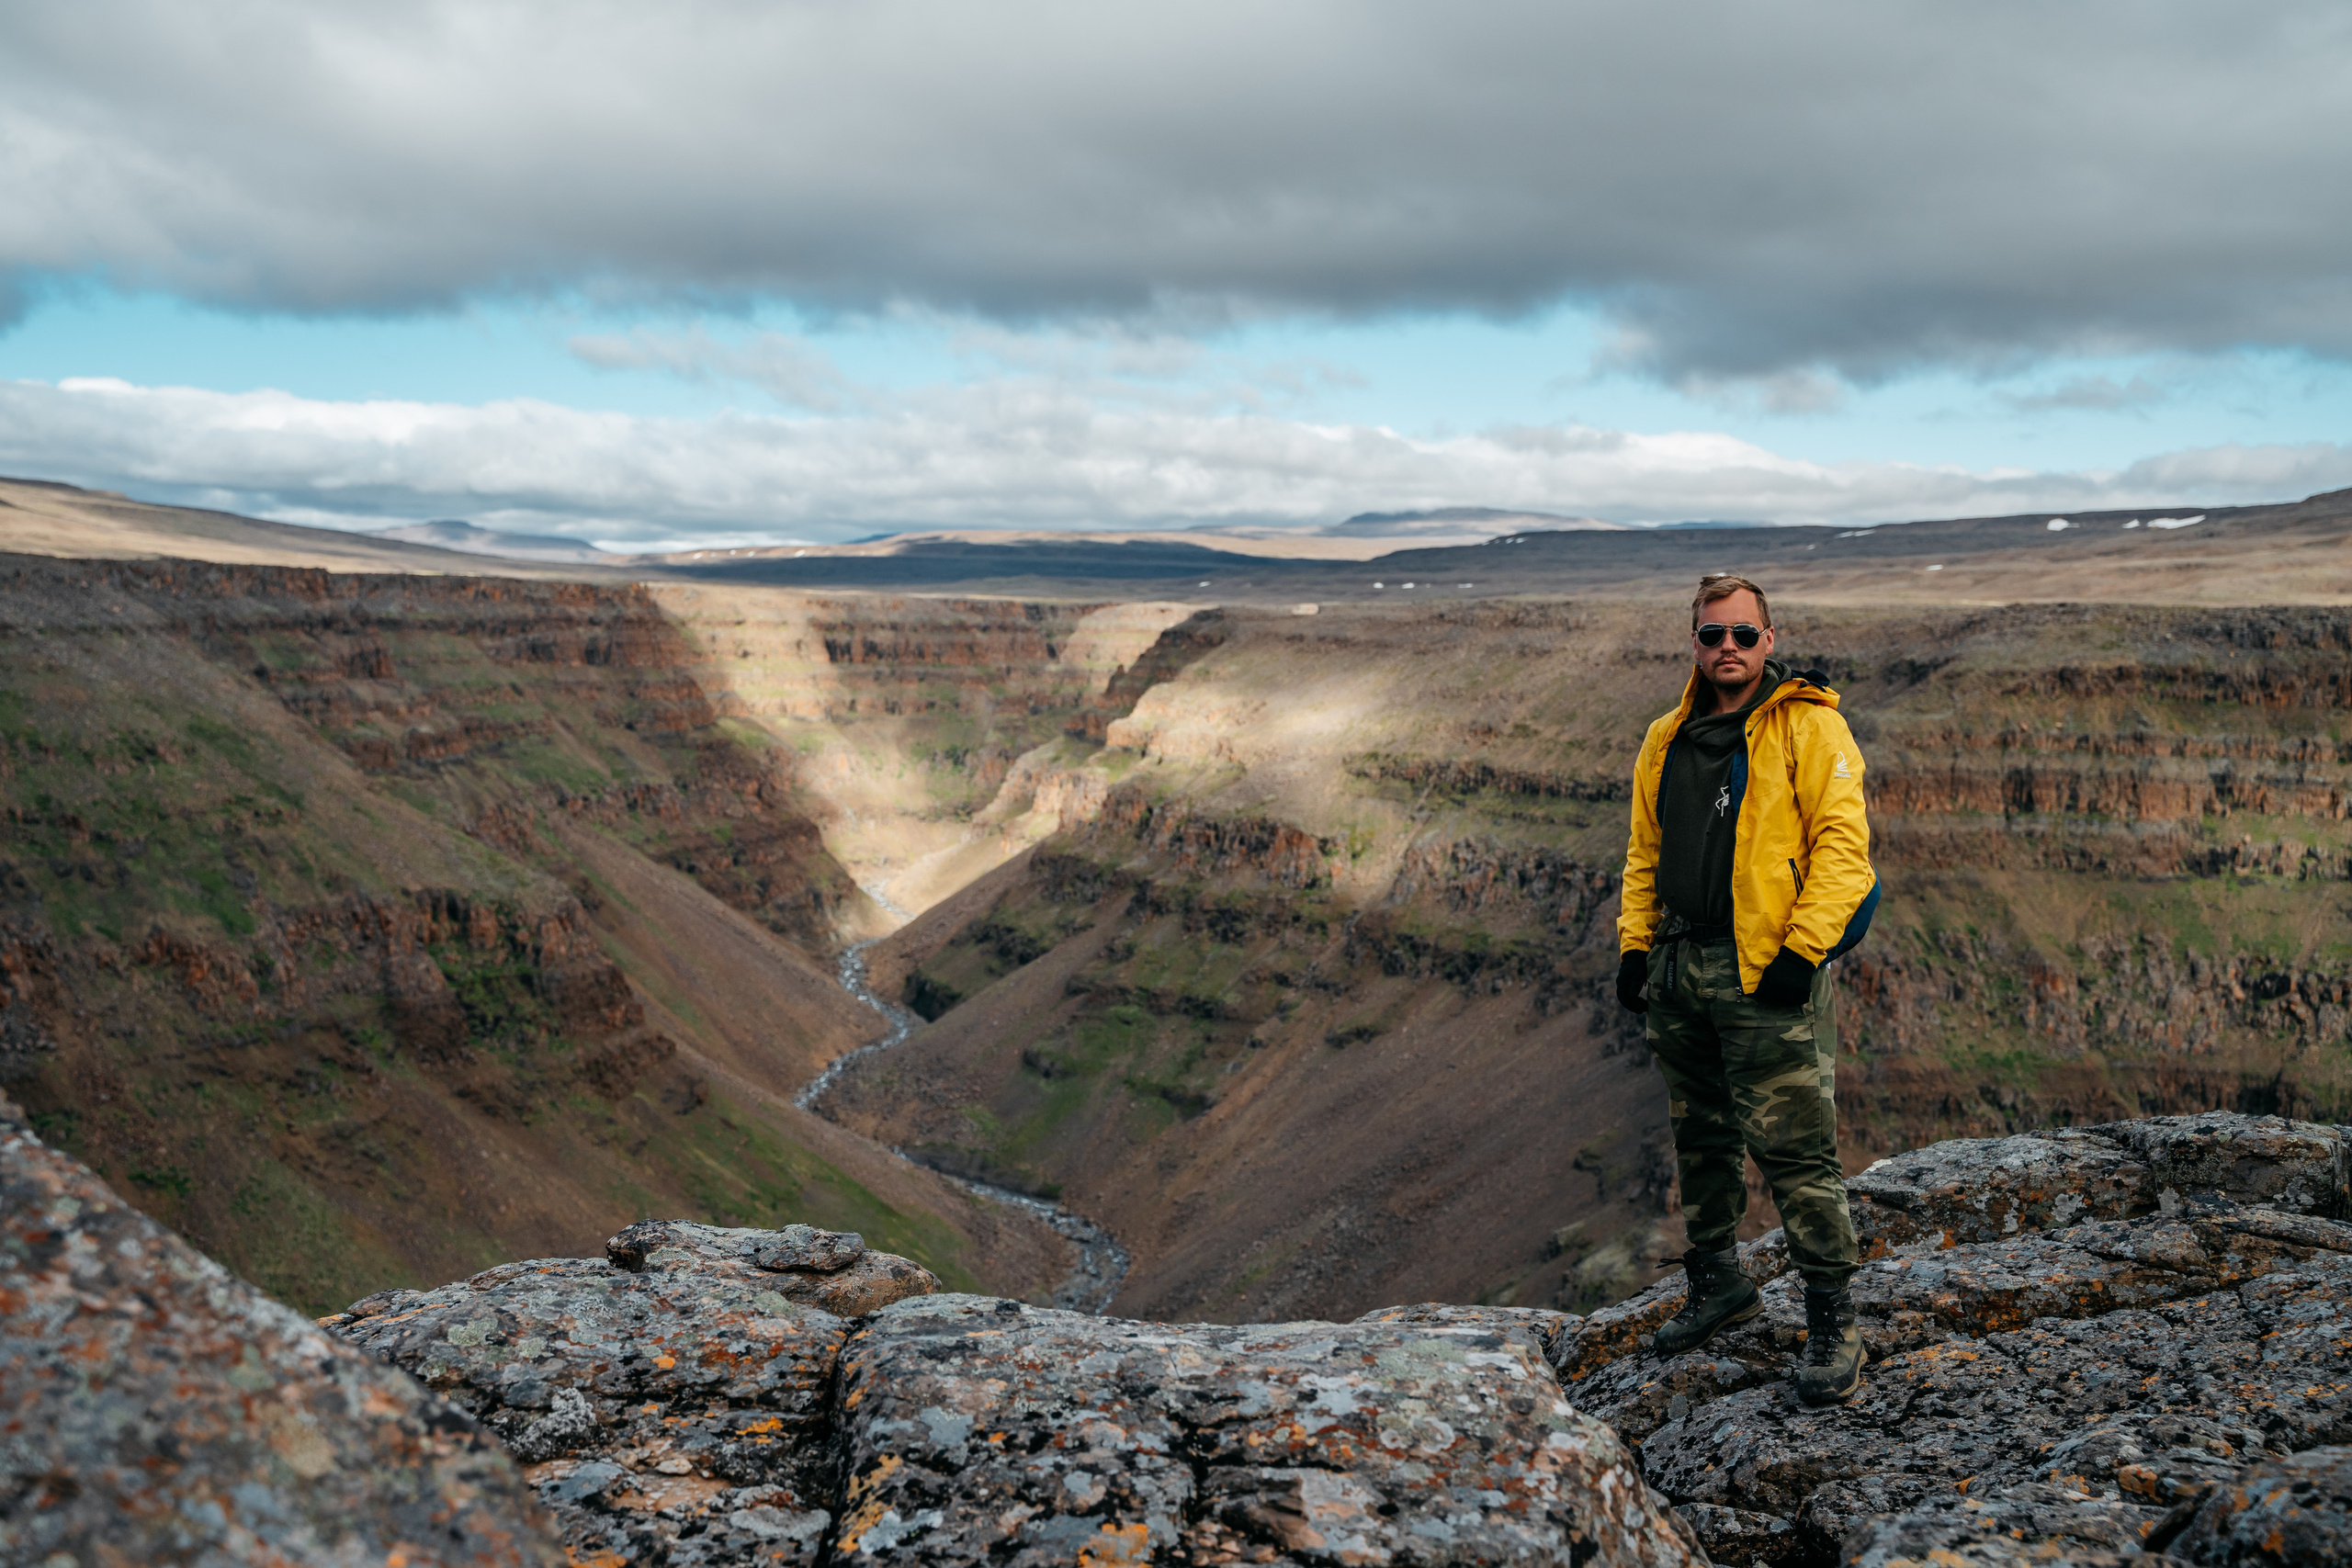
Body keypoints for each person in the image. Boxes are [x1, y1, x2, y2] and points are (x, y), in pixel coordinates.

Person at [1614, 571, 1880, 1405]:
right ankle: (1721, 1282)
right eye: (1710, 634)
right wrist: (1634, 949)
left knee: (1797, 1153)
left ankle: (1834, 1322)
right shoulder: (1666, 736)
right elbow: (1644, 854)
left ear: (1770, 641)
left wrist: (1805, 951)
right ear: (1692, 641)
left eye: (1742, 634)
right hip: (1681, 965)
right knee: (1702, 1137)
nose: (1726, 647)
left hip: (1766, 969)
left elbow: (1845, 850)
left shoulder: (1811, 727)